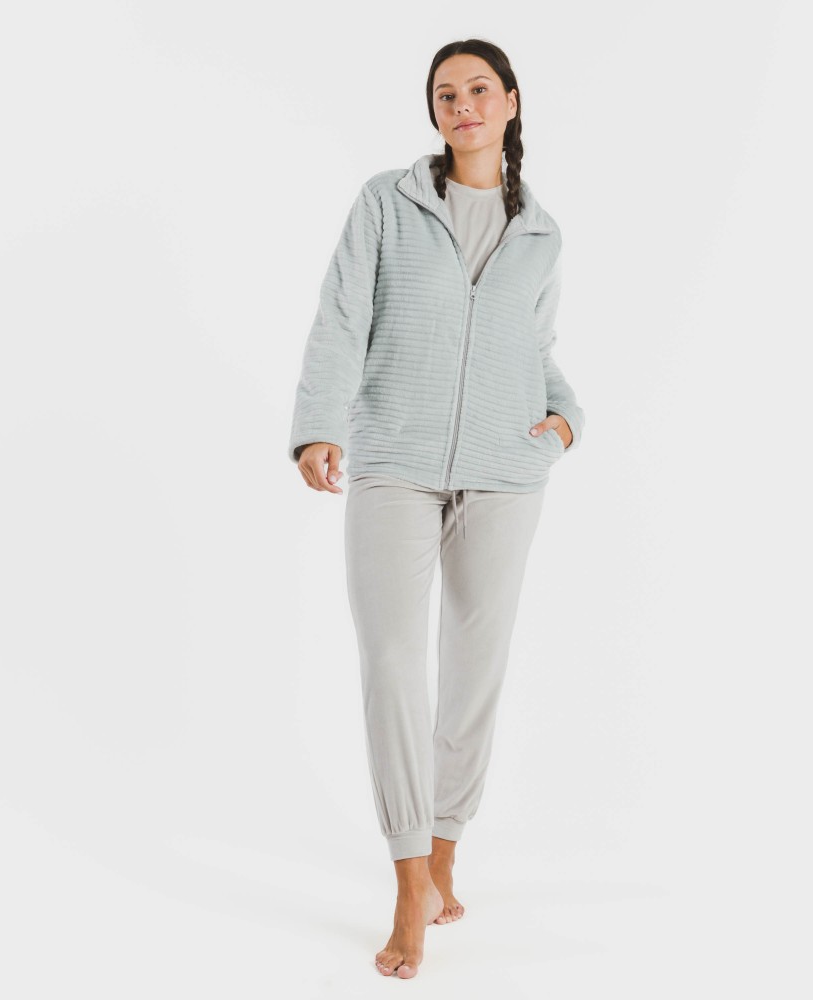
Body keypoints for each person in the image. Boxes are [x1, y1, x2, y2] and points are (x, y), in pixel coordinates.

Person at [288, 39, 585, 979]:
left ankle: (447, 848)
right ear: (435, 112)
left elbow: (534, 348)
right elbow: (343, 316)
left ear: (510, 104)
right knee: (391, 663)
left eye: (478, 90)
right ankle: (408, 877)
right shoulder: (387, 203)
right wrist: (318, 426)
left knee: (474, 670)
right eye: (446, 94)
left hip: (506, 472)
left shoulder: (541, 232)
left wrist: (565, 420)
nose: (463, 106)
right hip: (395, 464)